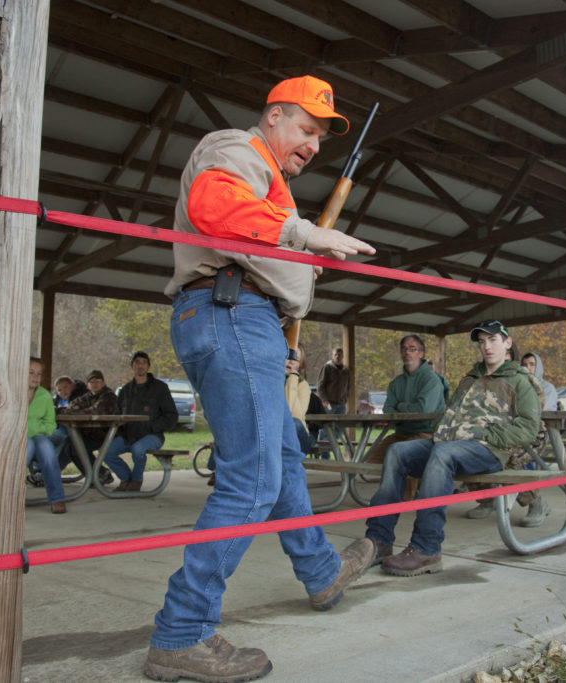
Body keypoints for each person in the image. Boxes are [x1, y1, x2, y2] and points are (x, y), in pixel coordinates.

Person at [148, 75, 377, 681]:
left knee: (280, 461)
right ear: (273, 116)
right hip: (231, 314)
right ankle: (181, 632)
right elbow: (211, 205)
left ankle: (321, 572)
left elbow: (253, 236)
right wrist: (303, 234)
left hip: (245, 321)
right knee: (251, 481)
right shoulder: (237, 149)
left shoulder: (270, 185)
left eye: (321, 139)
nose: (311, 146)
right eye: (305, 129)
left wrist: (295, 273)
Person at [364, 320, 541, 577]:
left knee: (442, 455)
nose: (487, 347)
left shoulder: (520, 381)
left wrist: (490, 435)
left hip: (487, 449)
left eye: (493, 340)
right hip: (449, 442)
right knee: (397, 452)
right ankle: (379, 540)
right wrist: (441, 430)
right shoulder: (470, 378)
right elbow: (451, 412)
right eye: (482, 342)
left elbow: (528, 429)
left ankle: (427, 548)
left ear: (507, 343)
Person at [465, 351, 555, 524]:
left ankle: (535, 502)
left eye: (532, 364)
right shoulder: (486, 380)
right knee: (466, 452)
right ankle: (488, 499)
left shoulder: (536, 384)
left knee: (510, 461)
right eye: (525, 364)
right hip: (494, 434)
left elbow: (536, 415)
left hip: (526, 436)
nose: (528, 368)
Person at [365, 335, 447, 501]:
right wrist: (405, 410)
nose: (407, 352)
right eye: (404, 349)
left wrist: (400, 406)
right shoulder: (396, 383)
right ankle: (391, 494)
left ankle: (405, 499)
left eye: (412, 349)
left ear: (421, 354)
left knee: (403, 455)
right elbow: (388, 410)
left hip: (427, 433)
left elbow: (424, 410)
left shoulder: (432, 380)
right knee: (367, 463)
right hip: (400, 433)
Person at [102, 351, 178, 492]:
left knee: (138, 449)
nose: (140, 366)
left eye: (143, 363)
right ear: (132, 366)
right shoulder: (125, 390)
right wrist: (118, 432)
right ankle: (126, 478)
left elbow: (172, 415)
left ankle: (136, 481)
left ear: (148, 366)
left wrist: (153, 426)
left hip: (152, 435)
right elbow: (117, 415)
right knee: (105, 451)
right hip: (128, 435)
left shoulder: (160, 388)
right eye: (137, 362)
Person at [57, 370, 117, 485]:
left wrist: (76, 411)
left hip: (106, 434)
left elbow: (96, 411)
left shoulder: (108, 395)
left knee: (75, 446)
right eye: (91, 381)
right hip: (89, 433)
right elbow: (72, 405)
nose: (94, 384)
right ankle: (99, 474)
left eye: (97, 381)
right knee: (69, 444)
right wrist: (75, 410)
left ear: (103, 382)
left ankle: (98, 475)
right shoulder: (88, 396)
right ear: (87, 385)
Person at [26, 357, 67, 513]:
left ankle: (57, 498)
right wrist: (34, 428)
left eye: (39, 373)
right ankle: (9, 495)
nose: (35, 377)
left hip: (39, 437)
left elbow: (50, 426)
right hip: (15, 440)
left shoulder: (44, 395)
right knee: (30, 444)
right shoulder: (12, 391)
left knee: (44, 444)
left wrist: (29, 427)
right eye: (31, 372)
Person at [284, 349, 312, 455]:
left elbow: (294, 414)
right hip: (277, 436)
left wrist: (293, 378)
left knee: (293, 422)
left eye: (296, 359)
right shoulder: (274, 382)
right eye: (289, 356)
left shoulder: (303, 386)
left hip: (299, 437)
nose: (291, 361)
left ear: (300, 366)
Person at [317, 347, 350, 414]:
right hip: (329, 403)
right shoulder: (327, 368)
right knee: (328, 423)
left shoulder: (346, 371)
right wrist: (324, 400)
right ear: (332, 356)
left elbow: (348, 386)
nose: (337, 357)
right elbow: (320, 385)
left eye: (339, 355)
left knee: (341, 424)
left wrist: (346, 398)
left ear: (343, 356)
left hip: (341, 404)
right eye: (335, 354)